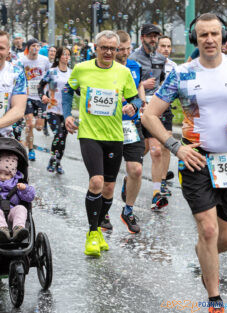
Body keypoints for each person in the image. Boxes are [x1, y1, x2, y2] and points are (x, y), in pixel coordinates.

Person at [142, 13, 227, 313]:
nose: (209, 40)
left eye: (214, 34)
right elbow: (149, 115)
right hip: (195, 159)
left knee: (225, 237)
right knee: (208, 230)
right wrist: (176, 147)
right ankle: (215, 299)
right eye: (203, 34)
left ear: (223, 37)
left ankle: (205, 252)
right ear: (195, 39)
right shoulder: (182, 74)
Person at [62, 30, 141, 256]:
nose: (108, 52)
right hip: (89, 134)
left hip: (115, 136)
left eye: (112, 48)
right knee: (96, 182)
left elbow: (135, 97)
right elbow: (68, 89)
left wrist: (132, 106)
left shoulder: (124, 72)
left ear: (117, 50)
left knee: (108, 188)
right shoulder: (82, 69)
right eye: (103, 47)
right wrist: (67, 114)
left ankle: (98, 229)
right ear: (95, 48)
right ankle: (92, 232)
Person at [101, 30, 144, 234]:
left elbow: (139, 89)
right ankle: (104, 210)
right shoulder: (105, 68)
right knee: (106, 176)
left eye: (128, 49)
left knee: (135, 170)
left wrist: (137, 105)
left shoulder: (135, 66)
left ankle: (128, 210)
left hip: (131, 126)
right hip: (108, 127)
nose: (126, 53)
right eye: (121, 50)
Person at [129, 23, 170, 211]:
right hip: (138, 109)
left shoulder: (160, 59)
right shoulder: (133, 59)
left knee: (156, 150)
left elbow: (162, 83)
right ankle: (130, 175)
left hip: (153, 111)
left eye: (156, 36)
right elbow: (129, 87)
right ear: (142, 37)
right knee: (144, 148)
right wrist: (143, 85)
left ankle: (156, 194)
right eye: (150, 36)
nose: (153, 39)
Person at [38, 46, 72, 174]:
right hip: (52, 109)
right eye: (64, 54)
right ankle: (53, 160)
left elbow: (77, 90)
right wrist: (43, 96)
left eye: (68, 54)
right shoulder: (52, 72)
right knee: (59, 134)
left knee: (63, 138)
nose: (66, 57)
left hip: (66, 111)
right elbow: (41, 86)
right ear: (58, 56)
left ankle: (58, 162)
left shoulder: (72, 72)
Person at [18, 38, 51, 161]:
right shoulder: (22, 60)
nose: (36, 48)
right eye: (33, 46)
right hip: (27, 97)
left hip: (40, 96)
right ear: (28, 47)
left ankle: (29, 143)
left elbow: (50, 76)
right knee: (30, 124)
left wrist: (48, 92)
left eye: (38, 46)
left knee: (39, 127)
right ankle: (31, 150)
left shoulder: (45, 60)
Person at [156, 35, 178, 197]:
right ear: (157, 47)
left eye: (168, 46)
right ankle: (132, 172)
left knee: (166, 145)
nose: (166, 49)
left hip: (167, 110)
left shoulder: (174, 67)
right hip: (149, 109)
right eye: (162, 46)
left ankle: (162, 182)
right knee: (150, 148)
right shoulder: (150, 64)